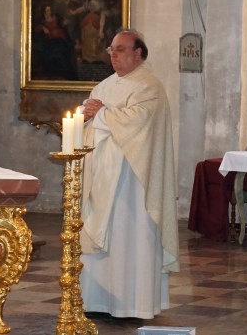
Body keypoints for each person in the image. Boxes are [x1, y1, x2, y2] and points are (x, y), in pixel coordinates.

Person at [79, 29, 178, 319]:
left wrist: (101, 114)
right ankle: (97, 301)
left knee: (130, 239)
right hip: (102, 176)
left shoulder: (149, 86)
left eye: (120, 49)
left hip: (133, 181)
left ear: (138, 54)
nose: (113, 54)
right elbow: (88, 122)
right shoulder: (104, 86)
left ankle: (134, 304)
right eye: (111, 49)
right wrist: (87, 114)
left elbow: (139, 122)